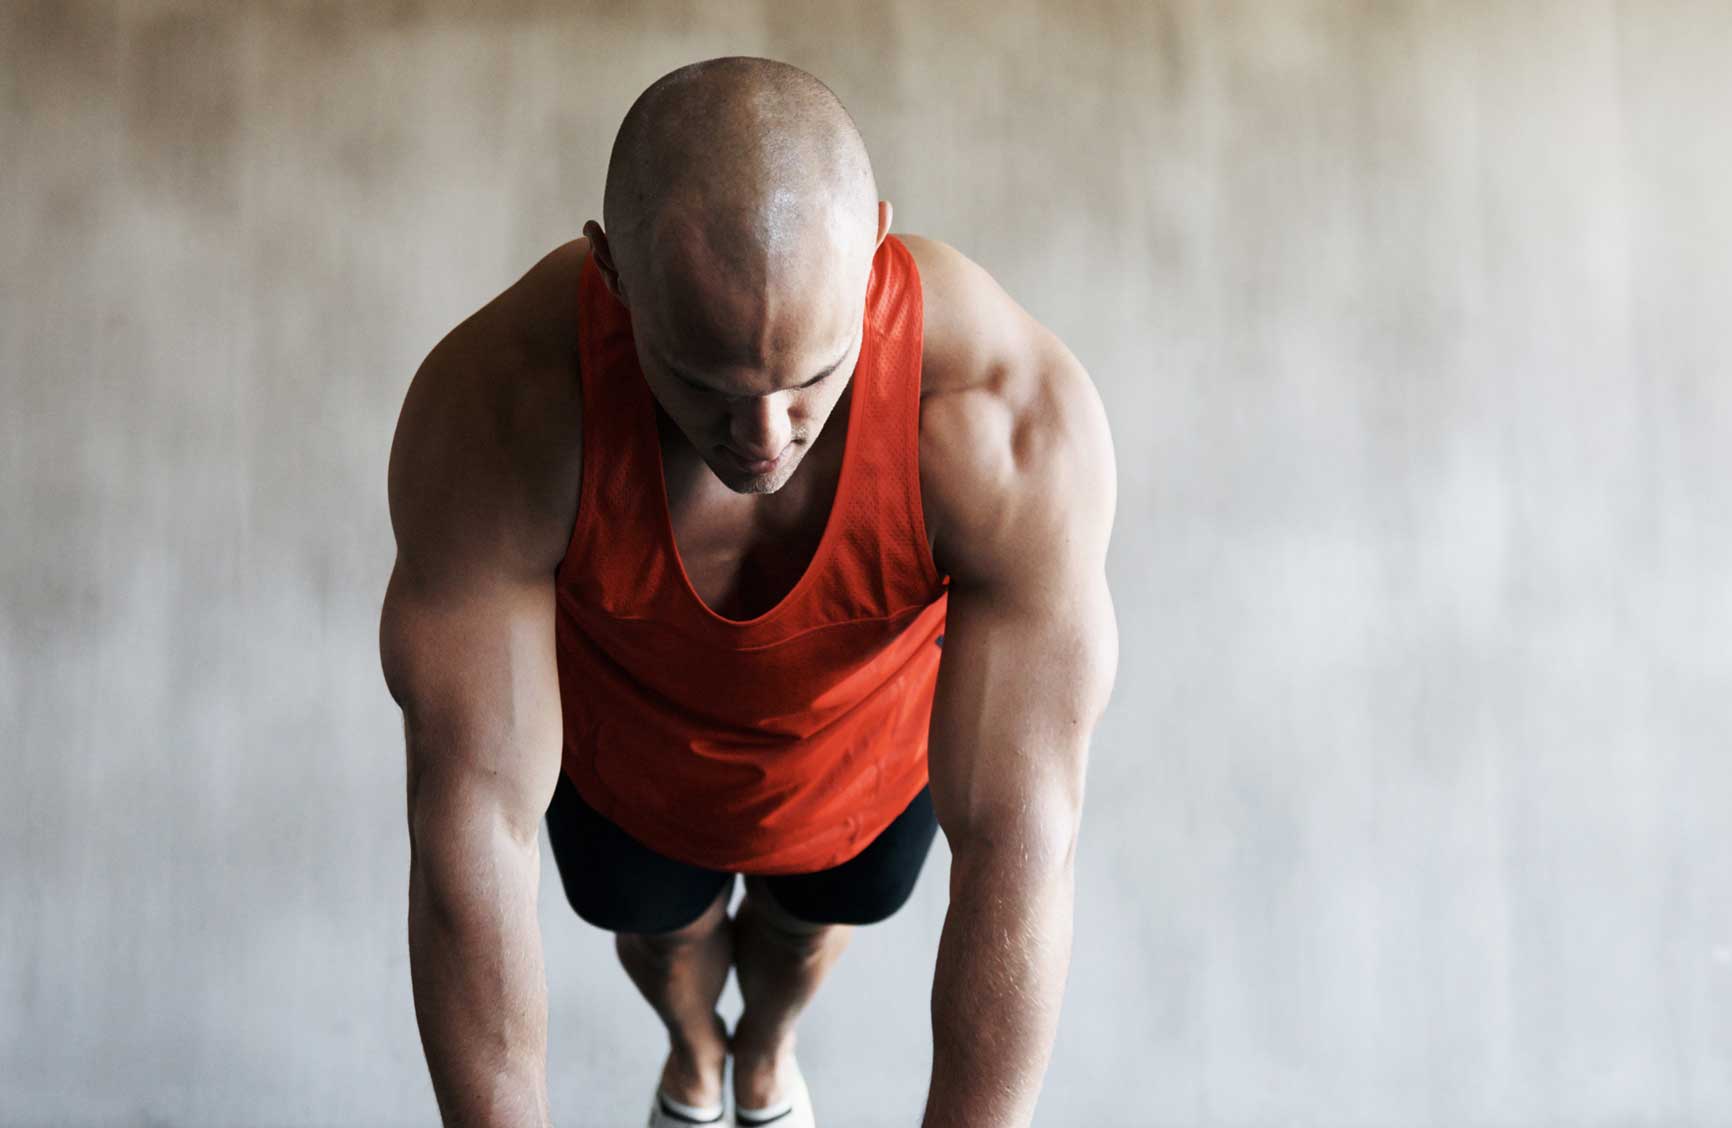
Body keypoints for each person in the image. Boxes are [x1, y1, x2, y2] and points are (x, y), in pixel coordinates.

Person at [378, 55, 1118, 1128]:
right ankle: (694, 1056)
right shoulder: (502, 415)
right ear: (612, 276)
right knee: (665, 940)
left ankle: (763, 1060)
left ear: (872, 249)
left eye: (811, 379)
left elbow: (1021, 845)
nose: (764, 439)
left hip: (868, 763)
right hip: (624, 763)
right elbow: (469, 832)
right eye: (703, 383)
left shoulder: (1001, 416)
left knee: (804, 937)